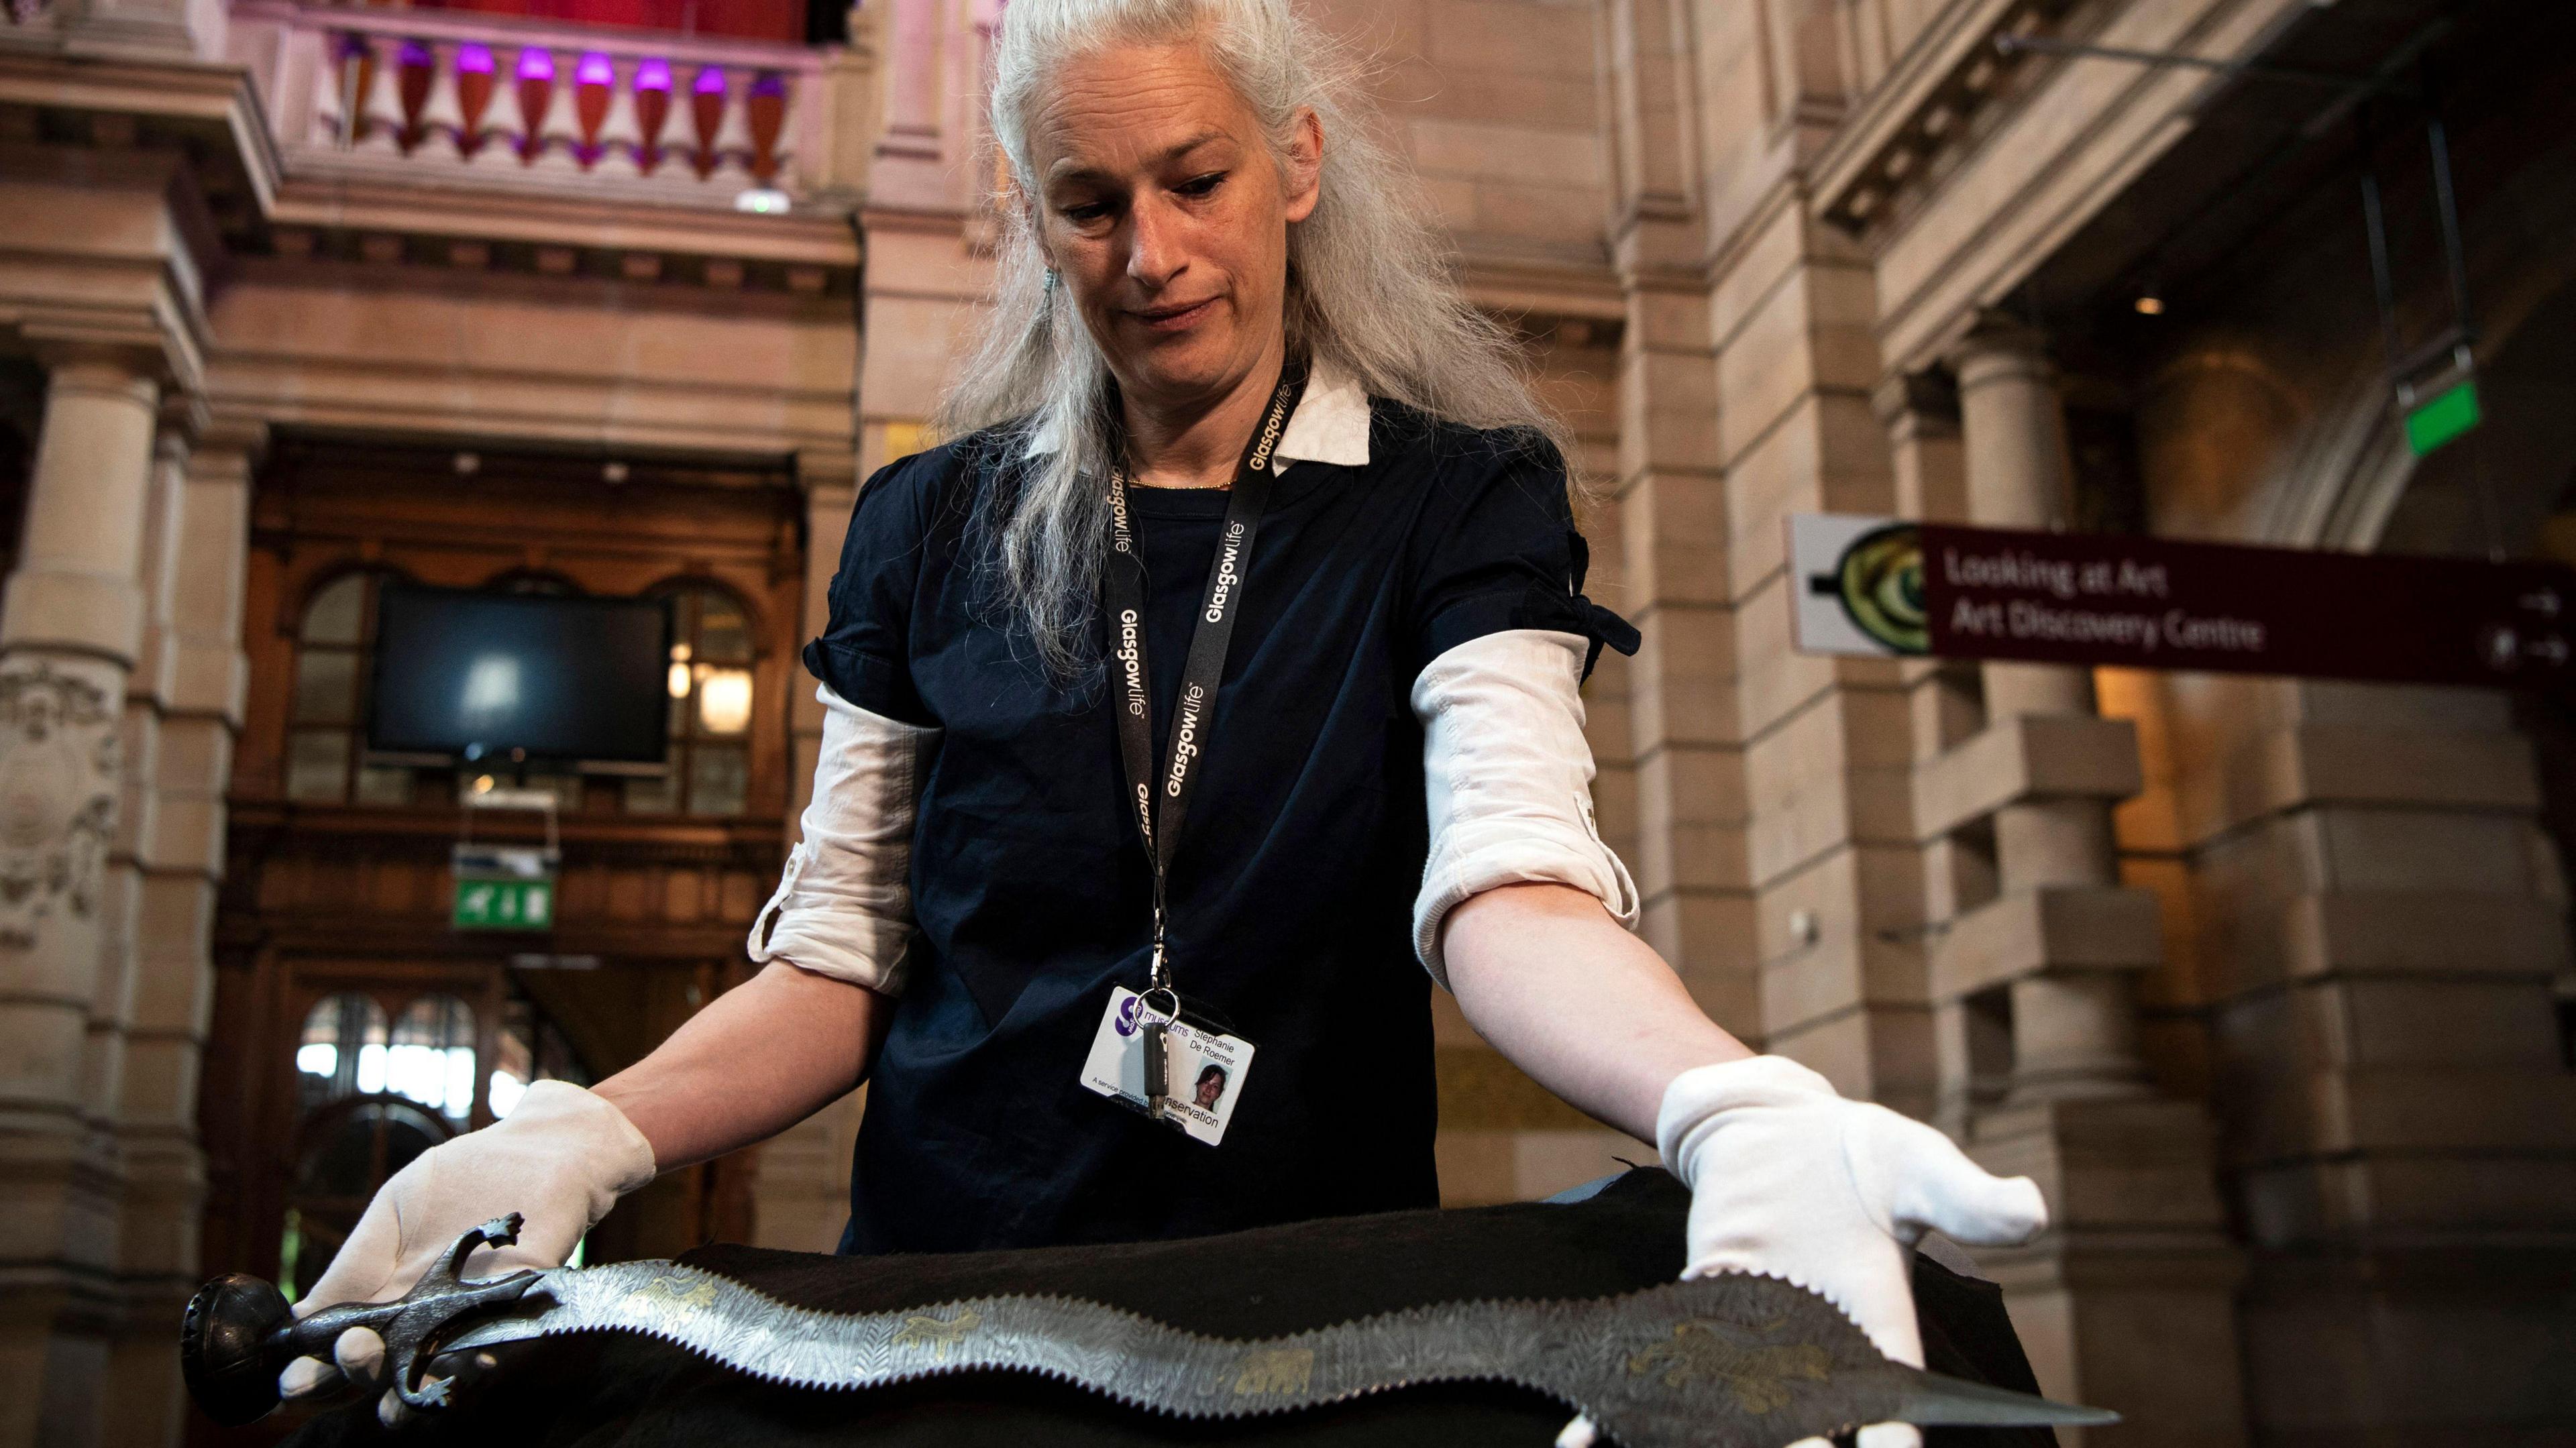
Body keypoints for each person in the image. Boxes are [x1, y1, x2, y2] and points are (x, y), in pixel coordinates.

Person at [281, 3, 2048, 1443]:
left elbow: (1511, 884)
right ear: (1030, 215)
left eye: (1195, 179)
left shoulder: (1457, 501)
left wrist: (1723, 1102)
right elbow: (840, 957)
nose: (1150, 255)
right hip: (939, 1311)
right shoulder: (924, 523)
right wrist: (592, 1125)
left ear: (1296, 162)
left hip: (1316, 1312)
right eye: (1088, 200)